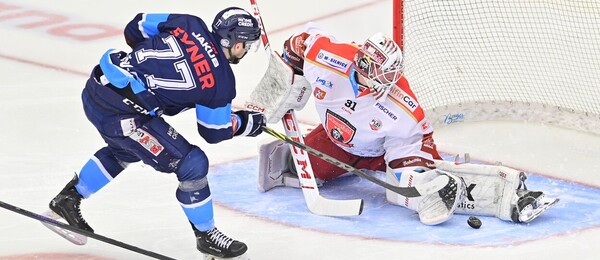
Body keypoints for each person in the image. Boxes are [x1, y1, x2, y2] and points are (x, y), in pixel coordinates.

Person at [254, 22, 556, 225]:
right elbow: (301, 43)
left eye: (393, 73)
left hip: (386, 151)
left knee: (413, 188)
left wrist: (418, 174)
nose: (392, 80)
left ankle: (504, 193)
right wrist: (287, 74)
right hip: (338, 142)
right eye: (385, 74)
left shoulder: (402, 106)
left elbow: (416, 138)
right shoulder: (328, 59)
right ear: (365, 66)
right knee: (297, 165)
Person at [46, 7, 265, 259]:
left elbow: (135, 26)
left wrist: (149, 68)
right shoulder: (222, 82)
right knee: (192, 164)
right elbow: (214, 132)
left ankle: (67, 200)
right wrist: (247, 122)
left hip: (97, 86)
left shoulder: (187, 22)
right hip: (123, 116)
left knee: (126, 150)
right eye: (247, 45)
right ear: (236, 45)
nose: (246, 50)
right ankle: (207, 237)